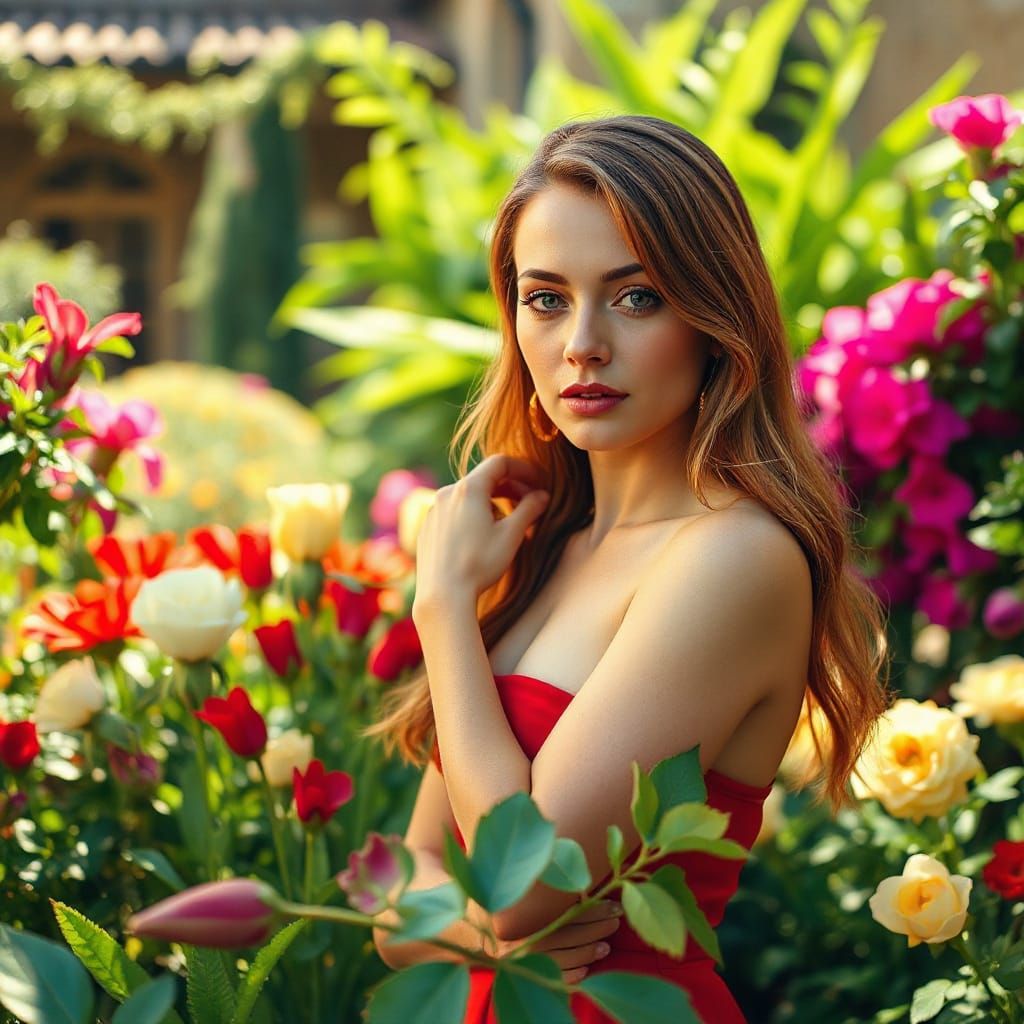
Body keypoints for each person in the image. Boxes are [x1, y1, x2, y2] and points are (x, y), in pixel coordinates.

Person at [366, 115, 888, 1023]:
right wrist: (488, 939)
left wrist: (444, 608)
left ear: (714, 318)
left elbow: (522, 882)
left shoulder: (734, 558)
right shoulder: (543, 547)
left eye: (637, 296)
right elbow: (401, 889)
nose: (582, 344)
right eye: (545, 298)